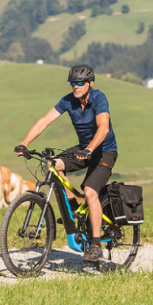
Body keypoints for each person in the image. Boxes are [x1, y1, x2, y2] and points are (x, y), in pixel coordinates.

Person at [14, 64, 118, 262]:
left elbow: (103, 128)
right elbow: (44, 121)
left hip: (104, 151)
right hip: (84, 148)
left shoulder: (99, 98)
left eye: (80, 83)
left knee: (90, 192)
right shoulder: (68, 101)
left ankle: (96, 245)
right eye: (73, 83)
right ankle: (72, 208)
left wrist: (89, 149)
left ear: (90, 83)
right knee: (53, 164)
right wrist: (24, 143)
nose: (76, 86)